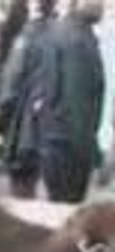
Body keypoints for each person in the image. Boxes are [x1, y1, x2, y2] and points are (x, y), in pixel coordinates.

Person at [37, 0, 104, 203]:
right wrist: (89, 153)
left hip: (56, 140)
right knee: (66, 208)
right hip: (69, 148)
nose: (101, 5)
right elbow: (77, 104)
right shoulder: (77, 41)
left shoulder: (65, 32)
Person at [0, 0, 58, 198]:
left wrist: (2, 112)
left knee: (20, 179)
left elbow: (13, 77)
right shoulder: (59, 35)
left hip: (25, 117)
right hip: (48, 120)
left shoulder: (28, 36)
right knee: (34, 176)